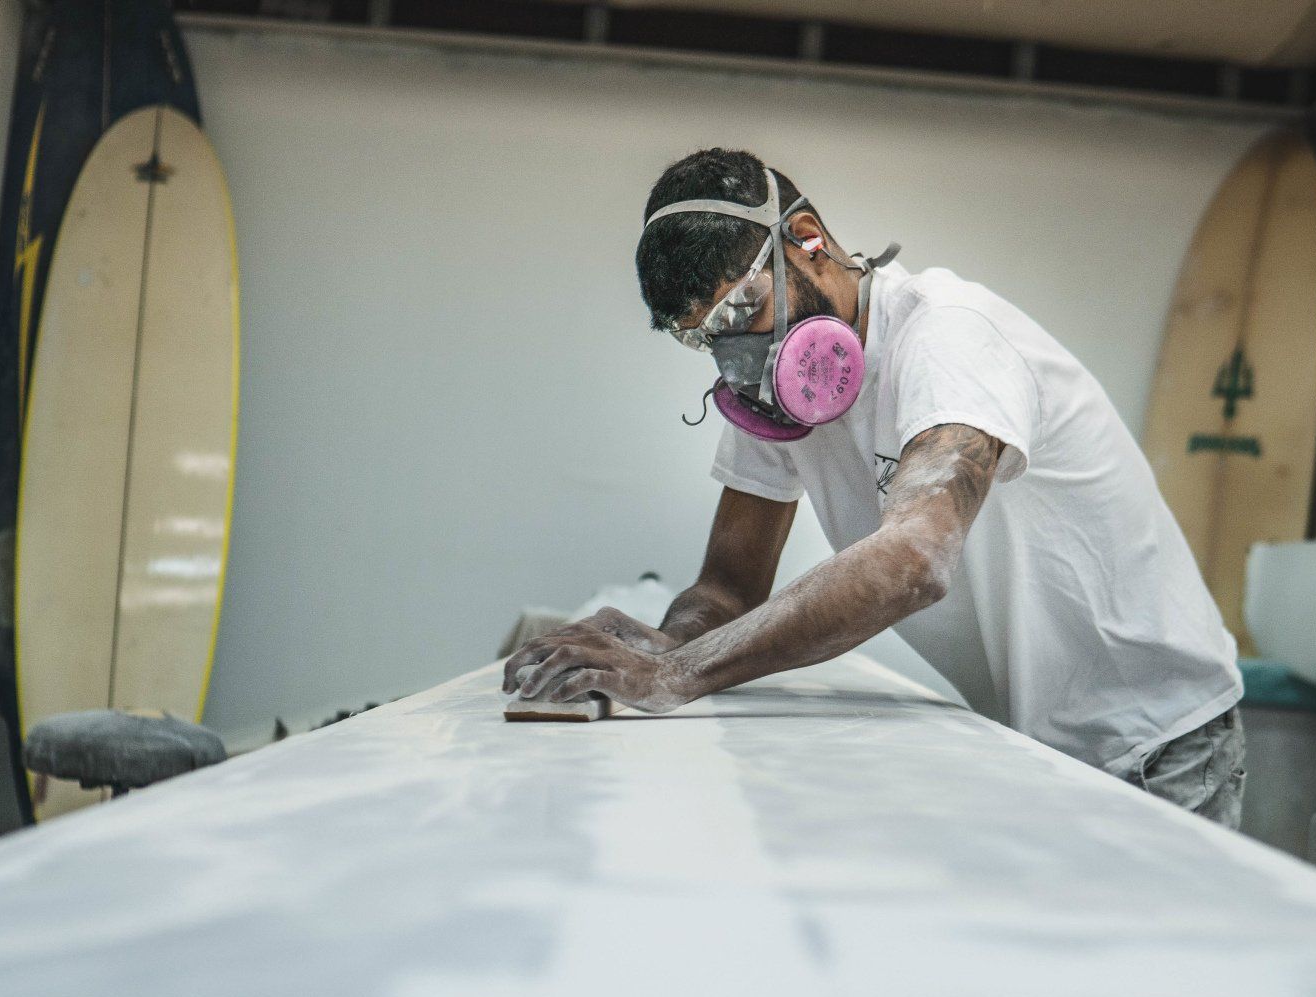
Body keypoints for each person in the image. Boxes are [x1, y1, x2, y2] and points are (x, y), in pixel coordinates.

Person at [503, 148, 1245, 825]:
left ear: (808, 241)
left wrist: (675, 673)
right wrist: (660, 642)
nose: (742, 362)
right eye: (709, 340)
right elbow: (728, 588)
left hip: (1156, 741)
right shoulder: (776, 393)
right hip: (1037, 737)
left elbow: (916, 560)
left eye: (744, 313)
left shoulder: (948, 339)